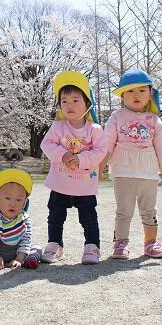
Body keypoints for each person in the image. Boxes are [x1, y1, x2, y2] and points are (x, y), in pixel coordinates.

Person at [101, 69, 162, 260]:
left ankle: (151, 242)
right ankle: (120, 243)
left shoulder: (154, 120)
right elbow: (107, 141)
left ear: (150, 93)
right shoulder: (117, 116)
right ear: (122, 95)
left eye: (141, 91)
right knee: (124, 210)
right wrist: (100, 165)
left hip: (148, 170)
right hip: (123, 169)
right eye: (130, 91)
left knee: (149, 210)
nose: (136, 95)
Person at [40, 70, 107, 264]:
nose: (69, 105)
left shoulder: (94, 129)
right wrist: (63, 155)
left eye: (75, 100)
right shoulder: (58, 126)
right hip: (60, 183)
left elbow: (100, 151)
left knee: (88, 217)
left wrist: (81, 159)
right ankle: (54, 244)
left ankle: (92, 246)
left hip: (85, 185)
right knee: (55, 216)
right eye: (64, 101)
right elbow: (47, 145)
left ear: (87, 104)